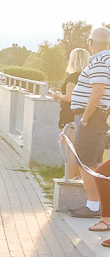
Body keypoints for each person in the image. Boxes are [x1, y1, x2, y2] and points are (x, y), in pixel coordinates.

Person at [68, 27, 110, 218]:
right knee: (92, 163)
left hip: (91, 118)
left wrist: (85, 118)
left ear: (91, 43)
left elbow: (98, 92)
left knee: (85, 163)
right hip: (96, 117)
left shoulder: (100, 61)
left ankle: (93, 206)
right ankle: (97, 204)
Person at [51, 48, 91, 181]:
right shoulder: (89, 76)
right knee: (78, 149)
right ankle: (77, 176)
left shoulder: (73, 77)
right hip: (83, 114)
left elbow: (69, 97)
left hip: (69, 115)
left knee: (70, 148)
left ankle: (71, 177)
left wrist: (57, 96)